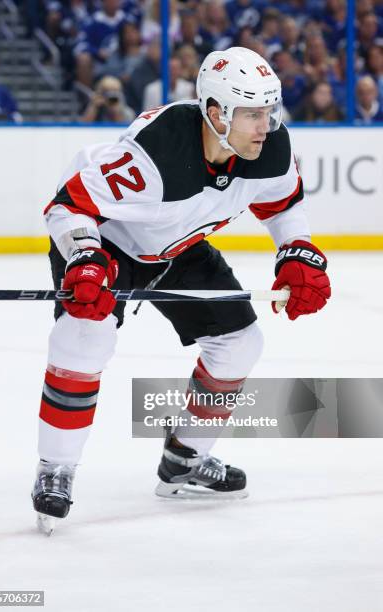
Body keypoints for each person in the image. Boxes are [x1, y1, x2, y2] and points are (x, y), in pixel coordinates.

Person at [32, 47, 331, 532]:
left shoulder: (270, 147)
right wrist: (85, 259)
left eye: (269, 111)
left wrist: (296, 251)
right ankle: (55, 469)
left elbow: (283, 204)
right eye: (252, 114)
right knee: (84, 340)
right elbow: (67, 207)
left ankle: (185, 459)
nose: (266, 125)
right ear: (216, 113)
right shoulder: (157, 151)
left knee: (240, 343)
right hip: (109, 239)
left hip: (178, 246)